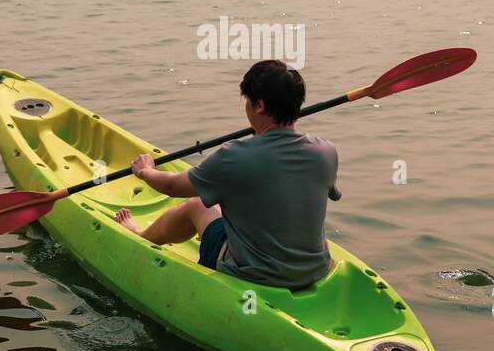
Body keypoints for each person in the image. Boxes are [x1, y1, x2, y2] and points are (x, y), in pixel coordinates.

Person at [115, 59, 341, 288]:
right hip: (316, 270)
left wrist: (145, 171)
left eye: (248, 101)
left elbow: (172, 187)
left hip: (255, 275)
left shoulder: (234, 156)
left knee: (197, 204)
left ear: (259, 106)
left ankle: (140, 236)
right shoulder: (325, 151)